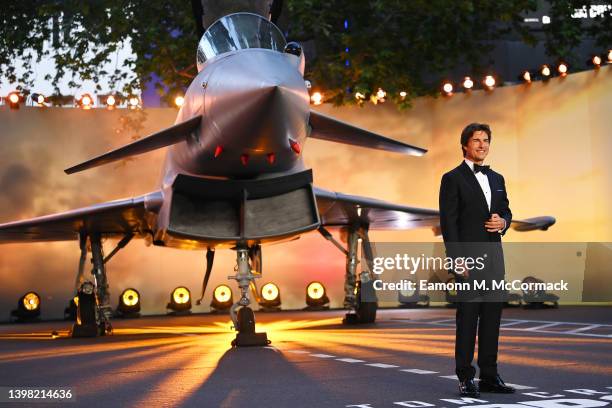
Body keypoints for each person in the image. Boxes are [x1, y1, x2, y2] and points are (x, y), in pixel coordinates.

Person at [438, 123, 515, 397]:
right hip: (469, 262)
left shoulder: (497, 179)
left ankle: (490, 376)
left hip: (495, 259)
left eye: (485, 140)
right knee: (468, 320)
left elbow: (506, 209)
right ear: (465, 145)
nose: (482, 145)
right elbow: (449, 223)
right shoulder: (452, 178)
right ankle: (465, 377)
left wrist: (503, 221)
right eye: (476, 140)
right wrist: (457, 260)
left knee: (492, 320)